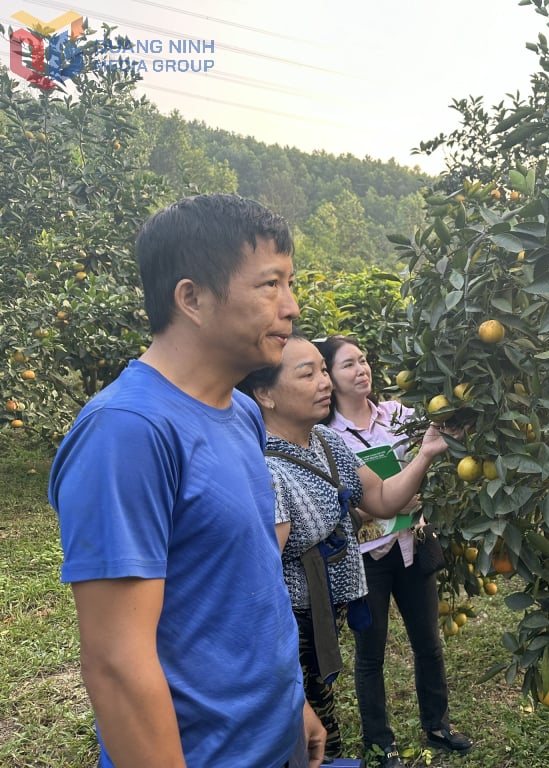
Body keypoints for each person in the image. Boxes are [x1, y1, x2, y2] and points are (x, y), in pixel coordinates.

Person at [48, 194, 326, 768]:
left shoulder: (243, 413)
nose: (292, 307)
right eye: (270, 284)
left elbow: (249, 578)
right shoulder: (126, 432)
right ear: (192, 297)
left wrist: (291, 702)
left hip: (276, 737)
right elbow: (117, 665)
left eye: (290, 284)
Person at [239, 335, 453, 763]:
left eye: (323, 370)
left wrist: (426, 454)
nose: (324, 382)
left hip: (320, 618)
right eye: (309, 373)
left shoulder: (323, 441)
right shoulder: (265, 469)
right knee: (306, 738)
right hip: (288, 626)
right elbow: (257, 587)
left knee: (324, 725)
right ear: (264, 394)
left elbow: (383, 498)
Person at [317, 335, 474, 768]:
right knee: (371, 654)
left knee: (429, 642)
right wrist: (379, 505)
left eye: (364, 360)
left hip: (413, 544)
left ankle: (438, 726)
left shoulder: (397, 415)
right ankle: (379, 743)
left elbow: (435, 447)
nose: (361, 369)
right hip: (369, 557)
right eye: (348, 364)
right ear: (330, 376)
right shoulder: (327, 437)